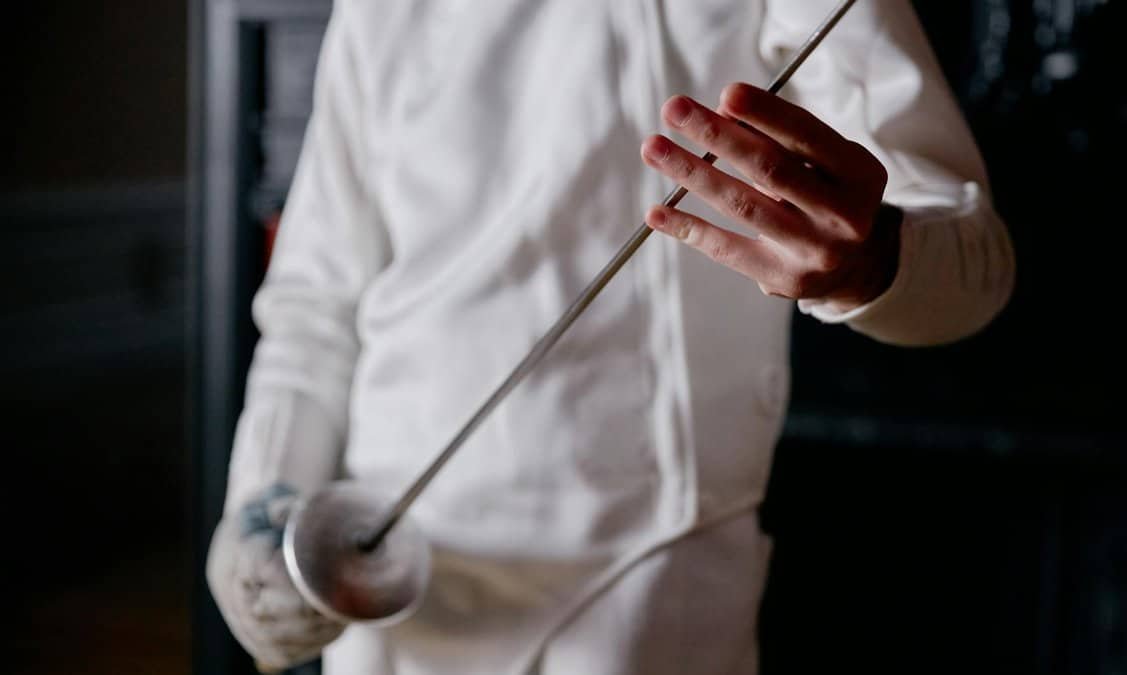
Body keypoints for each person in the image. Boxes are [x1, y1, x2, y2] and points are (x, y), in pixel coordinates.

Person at [206, 0, 1015, 672]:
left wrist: (872, 261)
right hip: (390, 572)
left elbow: (975, 265)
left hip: (641, 588)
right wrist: (261, 500)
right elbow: (316, 301)